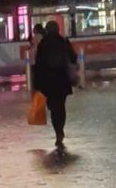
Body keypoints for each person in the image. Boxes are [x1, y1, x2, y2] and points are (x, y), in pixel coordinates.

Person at [33, 20, 78, 152]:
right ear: (58, 29)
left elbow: (39, 64)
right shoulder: (63, 41)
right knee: (61, 106)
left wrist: (37, 84)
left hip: (48, 81)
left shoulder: (43, 44)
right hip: (62, 79)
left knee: (53, 108)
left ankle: (57, 131)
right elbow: (73, 58)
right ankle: (61, 130)